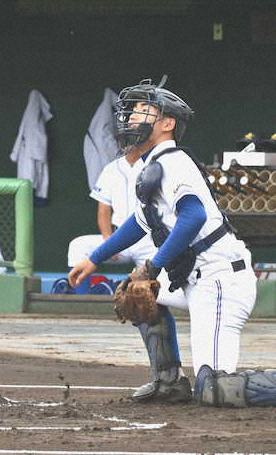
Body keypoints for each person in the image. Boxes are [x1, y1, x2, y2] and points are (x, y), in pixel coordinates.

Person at [68, 78, 258, 405]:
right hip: (192, 278)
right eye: (134, 110)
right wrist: (95, 257)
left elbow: (193, 217)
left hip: (220, 280)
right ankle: (168, 380)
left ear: (168, 124)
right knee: (135, 292)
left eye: (144, 110)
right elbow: (139, 224)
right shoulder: (153, 166)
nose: (132, 117)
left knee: (217, 390)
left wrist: (152, 267)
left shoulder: (174, 162)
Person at [65, 145, 153, 294]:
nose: (128, 144)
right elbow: (103, 209)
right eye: (125, 140)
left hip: (149, 240)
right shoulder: (111, 168)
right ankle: (82, 301)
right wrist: (108, 241)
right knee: (78, 246)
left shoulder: (153, 165)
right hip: (119, 239)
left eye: (133, 140)